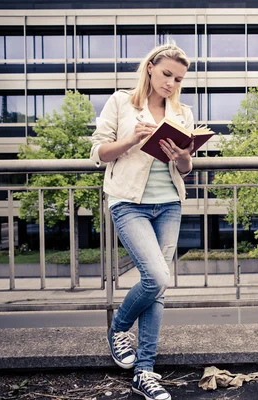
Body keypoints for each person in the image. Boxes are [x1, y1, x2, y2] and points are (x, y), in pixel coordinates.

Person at [90, 39, 194, 400]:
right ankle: (119, 328)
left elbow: (185, 168)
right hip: (129, 203)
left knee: (158, 288)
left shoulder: (182, 113)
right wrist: (131, 140)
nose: (171, 83)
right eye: (167, 74)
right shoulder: (121, 102)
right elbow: (99, 152)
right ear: (150, 67)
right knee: (157, 276)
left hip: (169, 203)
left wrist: (182, 155)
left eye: (178, 79)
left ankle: (144, 371)